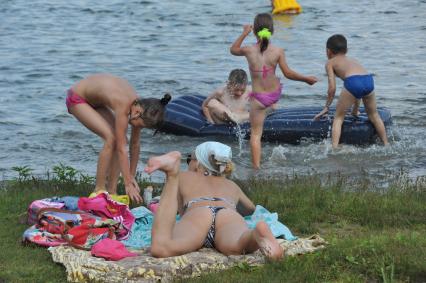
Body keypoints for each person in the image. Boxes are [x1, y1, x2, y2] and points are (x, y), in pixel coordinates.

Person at [145, 141, 283, 260]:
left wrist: (173, 179)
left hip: (198, 214)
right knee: (237, 246)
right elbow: (250, 209)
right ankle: (254, 235)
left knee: (162, 248)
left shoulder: (184, 177)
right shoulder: (231, 185)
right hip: (228, 214)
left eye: (190, 159)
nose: (189, 163)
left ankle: (171, 172)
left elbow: (178, 211)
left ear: (199, 163)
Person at [66, 73, 171, 203]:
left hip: (96, 102)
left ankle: (112, 191)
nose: (134, 126)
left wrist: (131, 177)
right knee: (111, 138)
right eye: (136, 125)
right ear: (137, 113)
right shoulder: (124, 105)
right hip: (77, 98)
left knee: (120, 139)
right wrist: (127, 183)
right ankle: (98, 189)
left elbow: (135, 144)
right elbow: (122, 149)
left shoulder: (141, 107)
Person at [230, 13, 317, 169]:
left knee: (256, 134)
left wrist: (244, 32)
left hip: (257, 99)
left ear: (255, 31)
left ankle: (256, 168)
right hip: (273, 96)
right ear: (272, 31)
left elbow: (233, 50)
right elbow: (288, 73)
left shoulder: (249, 50)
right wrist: (306, 79)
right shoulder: (278, 51)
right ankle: (270, 108)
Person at [313, 34, 389, 148]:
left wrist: (327, 107)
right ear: (346, 50)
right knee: (374, 115)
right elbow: (358, 90)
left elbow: (332, 88)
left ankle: (334, 148)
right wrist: (355, 110)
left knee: (338, 118)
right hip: (368, 79)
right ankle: (386, 144)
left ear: (328, 52)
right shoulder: (353, 61)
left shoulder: (330, 63)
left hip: (353, 82)